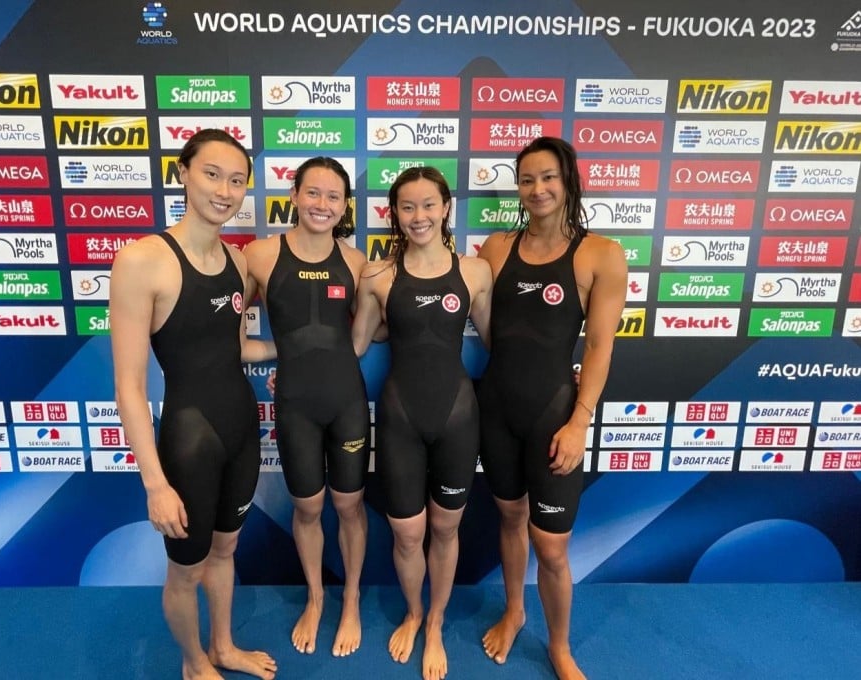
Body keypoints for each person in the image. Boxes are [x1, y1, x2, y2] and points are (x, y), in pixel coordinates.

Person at [110, 128, 277, 680]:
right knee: (186, 570)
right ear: (183, 172)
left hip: (241, 428)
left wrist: (291, 350)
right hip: (189, 438)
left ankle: (225, 646)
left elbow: (233, 348)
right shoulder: (142, 260)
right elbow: (129, 388)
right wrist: (154, 483)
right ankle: (193, 662)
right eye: (212, 174)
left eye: (236, 180)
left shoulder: (237, 261)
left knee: (225, 552)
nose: (224, 191)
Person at [477, 136, 628, 680]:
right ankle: (515, 611)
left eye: (548, 177)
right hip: (495, 408)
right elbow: (490, 329)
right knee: (511, 517)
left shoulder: (601, 254)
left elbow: (600, 347)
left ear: (568, 181)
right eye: (527, 179)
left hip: (554, 413)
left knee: (553, 546)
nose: (537, 189)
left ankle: (560, 646)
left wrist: (579, 420)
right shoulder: (494, 249)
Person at [352, 166, 492, 680]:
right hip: (399, 420)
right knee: (407, 534)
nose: (419, 216)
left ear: (446, 207)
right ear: (394, 213)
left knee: (445, 528)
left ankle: (435, 623)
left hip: (458, 417)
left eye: (428, 204)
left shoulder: (476, 272)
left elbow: (500, 343)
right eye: (407, 207)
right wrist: (298, 371)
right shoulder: (378, 275)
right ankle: (413, 612)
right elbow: (357, 345)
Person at [243, 157, 370, 657]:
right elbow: (238, 343)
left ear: (344, 206)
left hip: (347, 402)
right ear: (293, 194)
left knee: (349, 506)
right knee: (308, 507)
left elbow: (367, 332)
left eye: (333, 196)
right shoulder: (258, 256)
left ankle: (353, 599)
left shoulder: (358, 262)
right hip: (294, 404)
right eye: (313, 193)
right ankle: (317, 599)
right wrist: (285, 353)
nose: (322, 205)